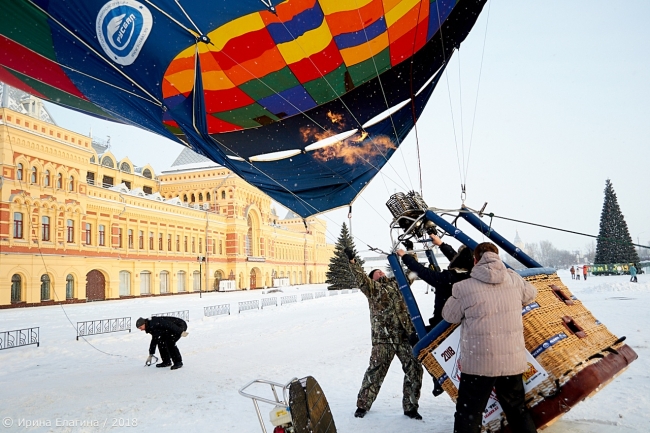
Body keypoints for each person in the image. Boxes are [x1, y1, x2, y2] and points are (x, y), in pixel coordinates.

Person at [442, 242, 538, 433]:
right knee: (517, 410)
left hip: (479, 364)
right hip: (512, 361)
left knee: (469, 413)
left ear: (475, 260)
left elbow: (449, 315)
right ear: (498, 257)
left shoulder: (463, 287)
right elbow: (531, 294)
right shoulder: (514, 280)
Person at [344, 248, 423, 421]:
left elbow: (413, 272)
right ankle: (362, 405)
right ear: (373, 279)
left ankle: (410, 407)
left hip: (404, 337)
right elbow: (361, 279)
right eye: (376, 273)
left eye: (381, 271)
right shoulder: (372, 289)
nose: (380, 273)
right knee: (375, 371)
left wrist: (411, 253)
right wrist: (352, 262)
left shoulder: (398, 283)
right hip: (383, 339)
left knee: (415, 369)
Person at [396, 234, 474, 328]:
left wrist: (405, 256)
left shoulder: (448, 279)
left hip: (443, 324)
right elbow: (457, 259)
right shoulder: (472, 274)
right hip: (458, 320)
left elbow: (422, 271)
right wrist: (441, 244)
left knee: (414, 338)